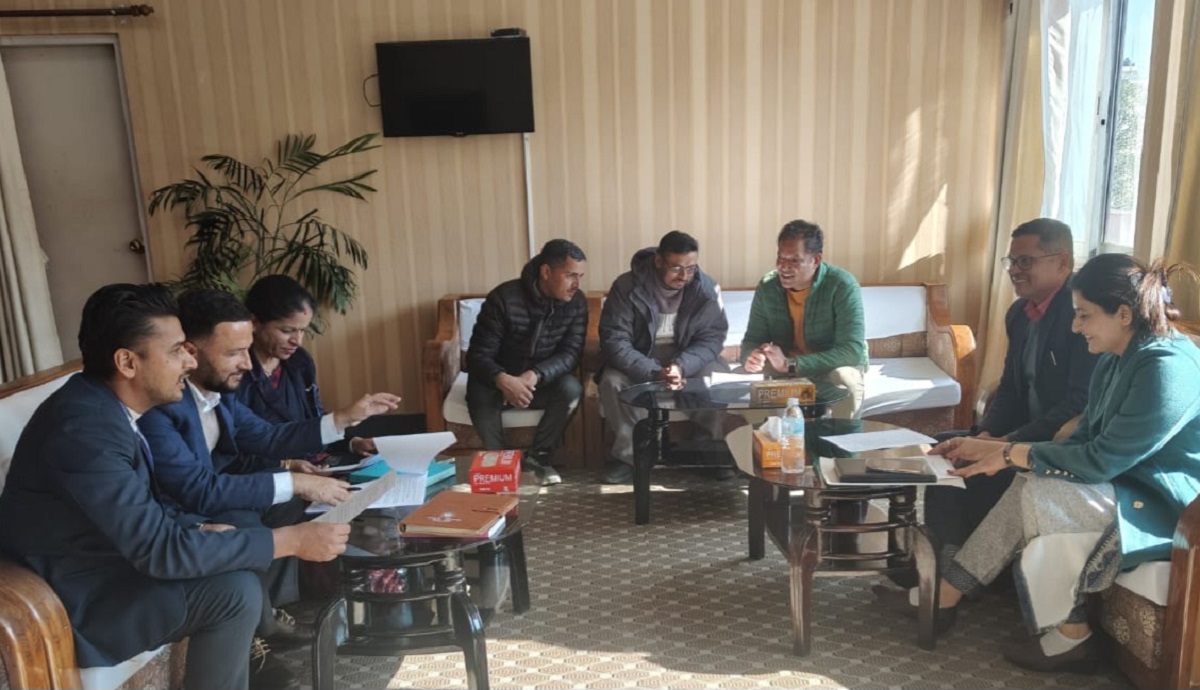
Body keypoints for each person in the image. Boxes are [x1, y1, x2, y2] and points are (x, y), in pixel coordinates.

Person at [0, 283, 348, 690]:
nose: (189, 360)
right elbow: (159, 550)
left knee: (235, 565)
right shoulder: (84, 430)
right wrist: (290, 540)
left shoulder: (102, 406)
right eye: (176, 350)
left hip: (112, 560)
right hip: (79, 595)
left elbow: (143, 508)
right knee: (233, 593)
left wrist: (198, 528)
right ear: (127, 362)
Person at [874, 254, 1200, 673]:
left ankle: (1051, 626)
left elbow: (1101, 460)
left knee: (1040, 491)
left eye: (1084, 314)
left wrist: (1010, 454)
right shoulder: (1117, 358)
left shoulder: (1168, 368)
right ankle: (1028, 619)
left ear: (1123, 314)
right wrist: (997, 449)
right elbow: (1084, 440)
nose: (1075, 327)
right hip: (1121, 484)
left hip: (1162, 505)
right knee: (1032, 483)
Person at [137, 289, 400, 679]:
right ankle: (262, 631)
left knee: (316, 503)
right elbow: (196, 489)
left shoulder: (217, 392)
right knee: (252, 518)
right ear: (190, 352)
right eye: (234, 353)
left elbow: (268, 436)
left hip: (219, 494)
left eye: (246, 351)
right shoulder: (162, 407)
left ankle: (342, 605)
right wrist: (292, 481)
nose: (247, 363)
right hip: (188, 511)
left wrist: (343, 419)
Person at [924, 219, 1099, 554]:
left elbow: (1079, 403)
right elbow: (1010, 388)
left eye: (1026, 261)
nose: (1015, 270)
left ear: (1062, 262)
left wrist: (1006, 444)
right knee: (943, 447)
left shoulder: (1082, 317)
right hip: (1016, 432)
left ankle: (968, 562)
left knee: (978, 468)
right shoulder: (1019, 313)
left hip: (1057, 442)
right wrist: (987, 434)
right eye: (1012, 261)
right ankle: (944, 552)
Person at [597, 230, 730, 484]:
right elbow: (615, 341)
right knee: (611, 382)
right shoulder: (627, 287)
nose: (684, 276)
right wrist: (654, 371)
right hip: (639, 362)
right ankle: (629, 457)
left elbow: (712, 338)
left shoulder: (706, 289)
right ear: (658, 261)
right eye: (676, 268)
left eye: (691, 268)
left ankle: (708, 451)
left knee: (717, 378)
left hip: (688, 362)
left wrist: (681, 365)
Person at [466, 239, 588, 486]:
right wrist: (503, 380)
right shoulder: (504, 298)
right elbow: (478, 356)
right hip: (496, 382)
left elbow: (570, 353)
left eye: (580, 276)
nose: (576, 284)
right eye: (570, 275)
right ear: (546, 272)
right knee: (478, 392)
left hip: (538, 382)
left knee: (571, 388)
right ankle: (499, 465)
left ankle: (538, 459)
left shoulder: (576, 303)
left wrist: (535, 374)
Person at [741, 219, 867, 419]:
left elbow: (852, 351)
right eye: (780, 258)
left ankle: (843, 438)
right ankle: (763, 437)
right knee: (744, 381)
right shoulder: (768, 286)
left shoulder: (842, 285)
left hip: (828, 368)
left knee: (847, 378)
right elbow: (752, 340)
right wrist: (752, 357)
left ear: (816, 260)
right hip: (785, 368)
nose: (784, 267)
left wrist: (792, 364)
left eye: (794, 261)